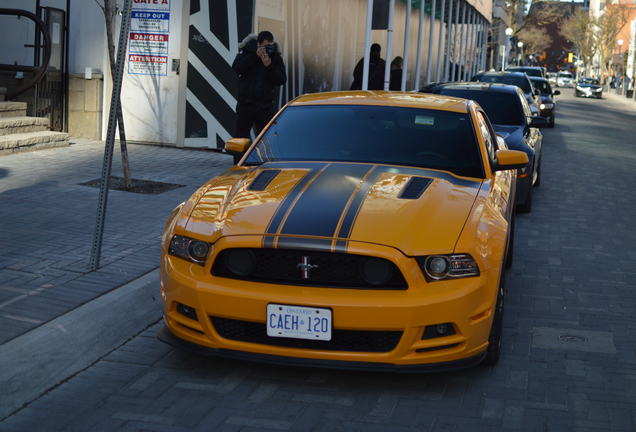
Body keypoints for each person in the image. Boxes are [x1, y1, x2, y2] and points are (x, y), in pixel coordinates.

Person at [232, 31, 286, 139]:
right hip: (246, 105)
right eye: (264, 46)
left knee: (266, 139)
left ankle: (262, 157)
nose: (267, 49)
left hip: (265, 106)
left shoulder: (275, 57)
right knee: (240, 138)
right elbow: (237, 67)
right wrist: (255, 56)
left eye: (270, 46)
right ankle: (240, 157)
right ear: (258, 44)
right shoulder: (247, 52)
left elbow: (281, 80)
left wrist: (269, 66)